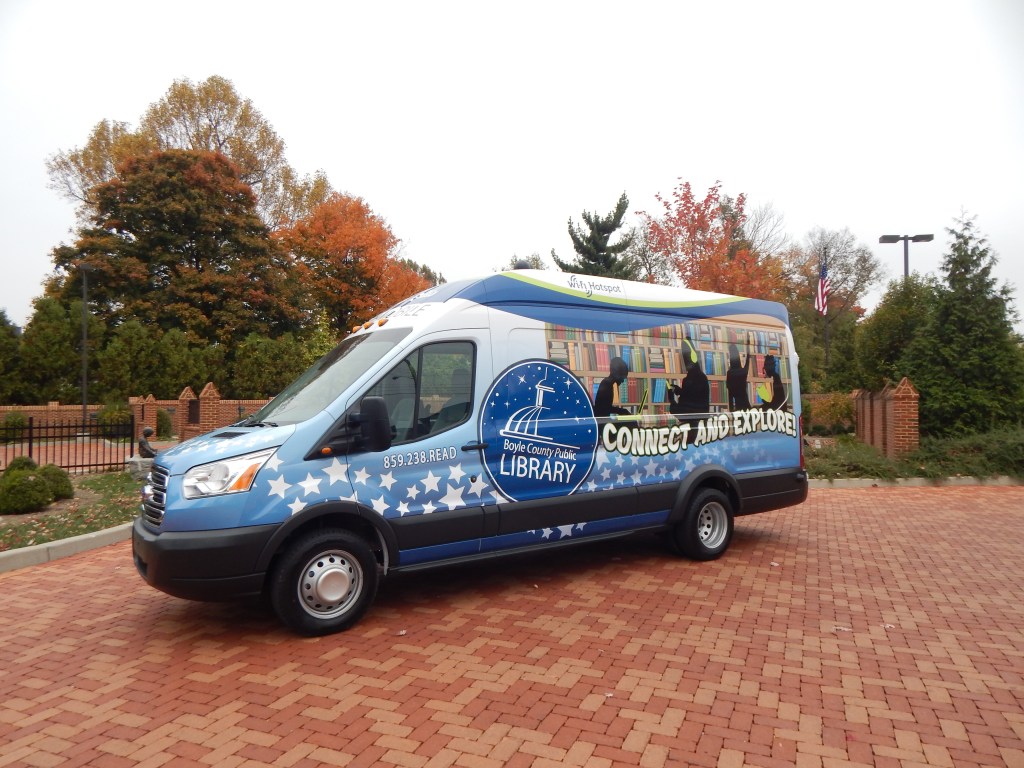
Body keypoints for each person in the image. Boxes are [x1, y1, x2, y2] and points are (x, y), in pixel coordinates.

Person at [667, 337, 709, 422]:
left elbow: (682, 413)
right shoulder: (702, 377)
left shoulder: (688, 380)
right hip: (701, 425)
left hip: (690, 427)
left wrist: (671, 399)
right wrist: (680, 391)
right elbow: (694, 398)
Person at [726, 342, 752, 411]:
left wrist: (731, 410)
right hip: (746, 406)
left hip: (738, 408)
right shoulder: (743, 371)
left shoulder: (729, 373)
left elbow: (730, 396)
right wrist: (748, 346)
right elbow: (747, 360)